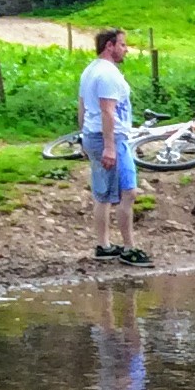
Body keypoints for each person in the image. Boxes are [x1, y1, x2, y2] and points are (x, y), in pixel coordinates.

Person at [78, 27, 149, 265]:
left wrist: (82, 136)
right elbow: (107, 112)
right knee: (128, 192)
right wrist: (109, 147)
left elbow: (82, 107)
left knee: (103, 194)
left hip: (93, 135)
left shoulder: (90, 70)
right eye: (122, 45)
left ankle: (104, 245)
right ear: (109, 46)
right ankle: (129, 248)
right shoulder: (107, 75)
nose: (125, 49)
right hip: (111, 138)